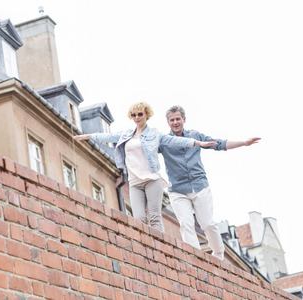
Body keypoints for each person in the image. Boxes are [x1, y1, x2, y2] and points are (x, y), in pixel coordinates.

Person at [73, 102, 217, 232]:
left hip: (152, 180)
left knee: (154, 218)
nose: (137, 117)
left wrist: (198, 143)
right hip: (135, 183)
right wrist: (89, 136)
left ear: (146, 115)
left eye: (140, 114)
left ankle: (160, 250)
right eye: (133, 115)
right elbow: (108, 137)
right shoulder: (126, 135)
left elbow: (176, 140)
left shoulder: (154, 134)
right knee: (139, 219)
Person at [158, 105, 260, 260]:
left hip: (199, 186)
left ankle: (218, 255)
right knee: (186, 224)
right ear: (168, 122)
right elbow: (145, 151)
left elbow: (218, 144)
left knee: (207, 224)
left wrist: (244, 143)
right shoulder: (164, 142)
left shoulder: (195, 135)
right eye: (172, 120)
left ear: (184, 119)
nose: (175, 122)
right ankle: (195, 257)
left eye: (178, 119)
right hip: (178, 190)